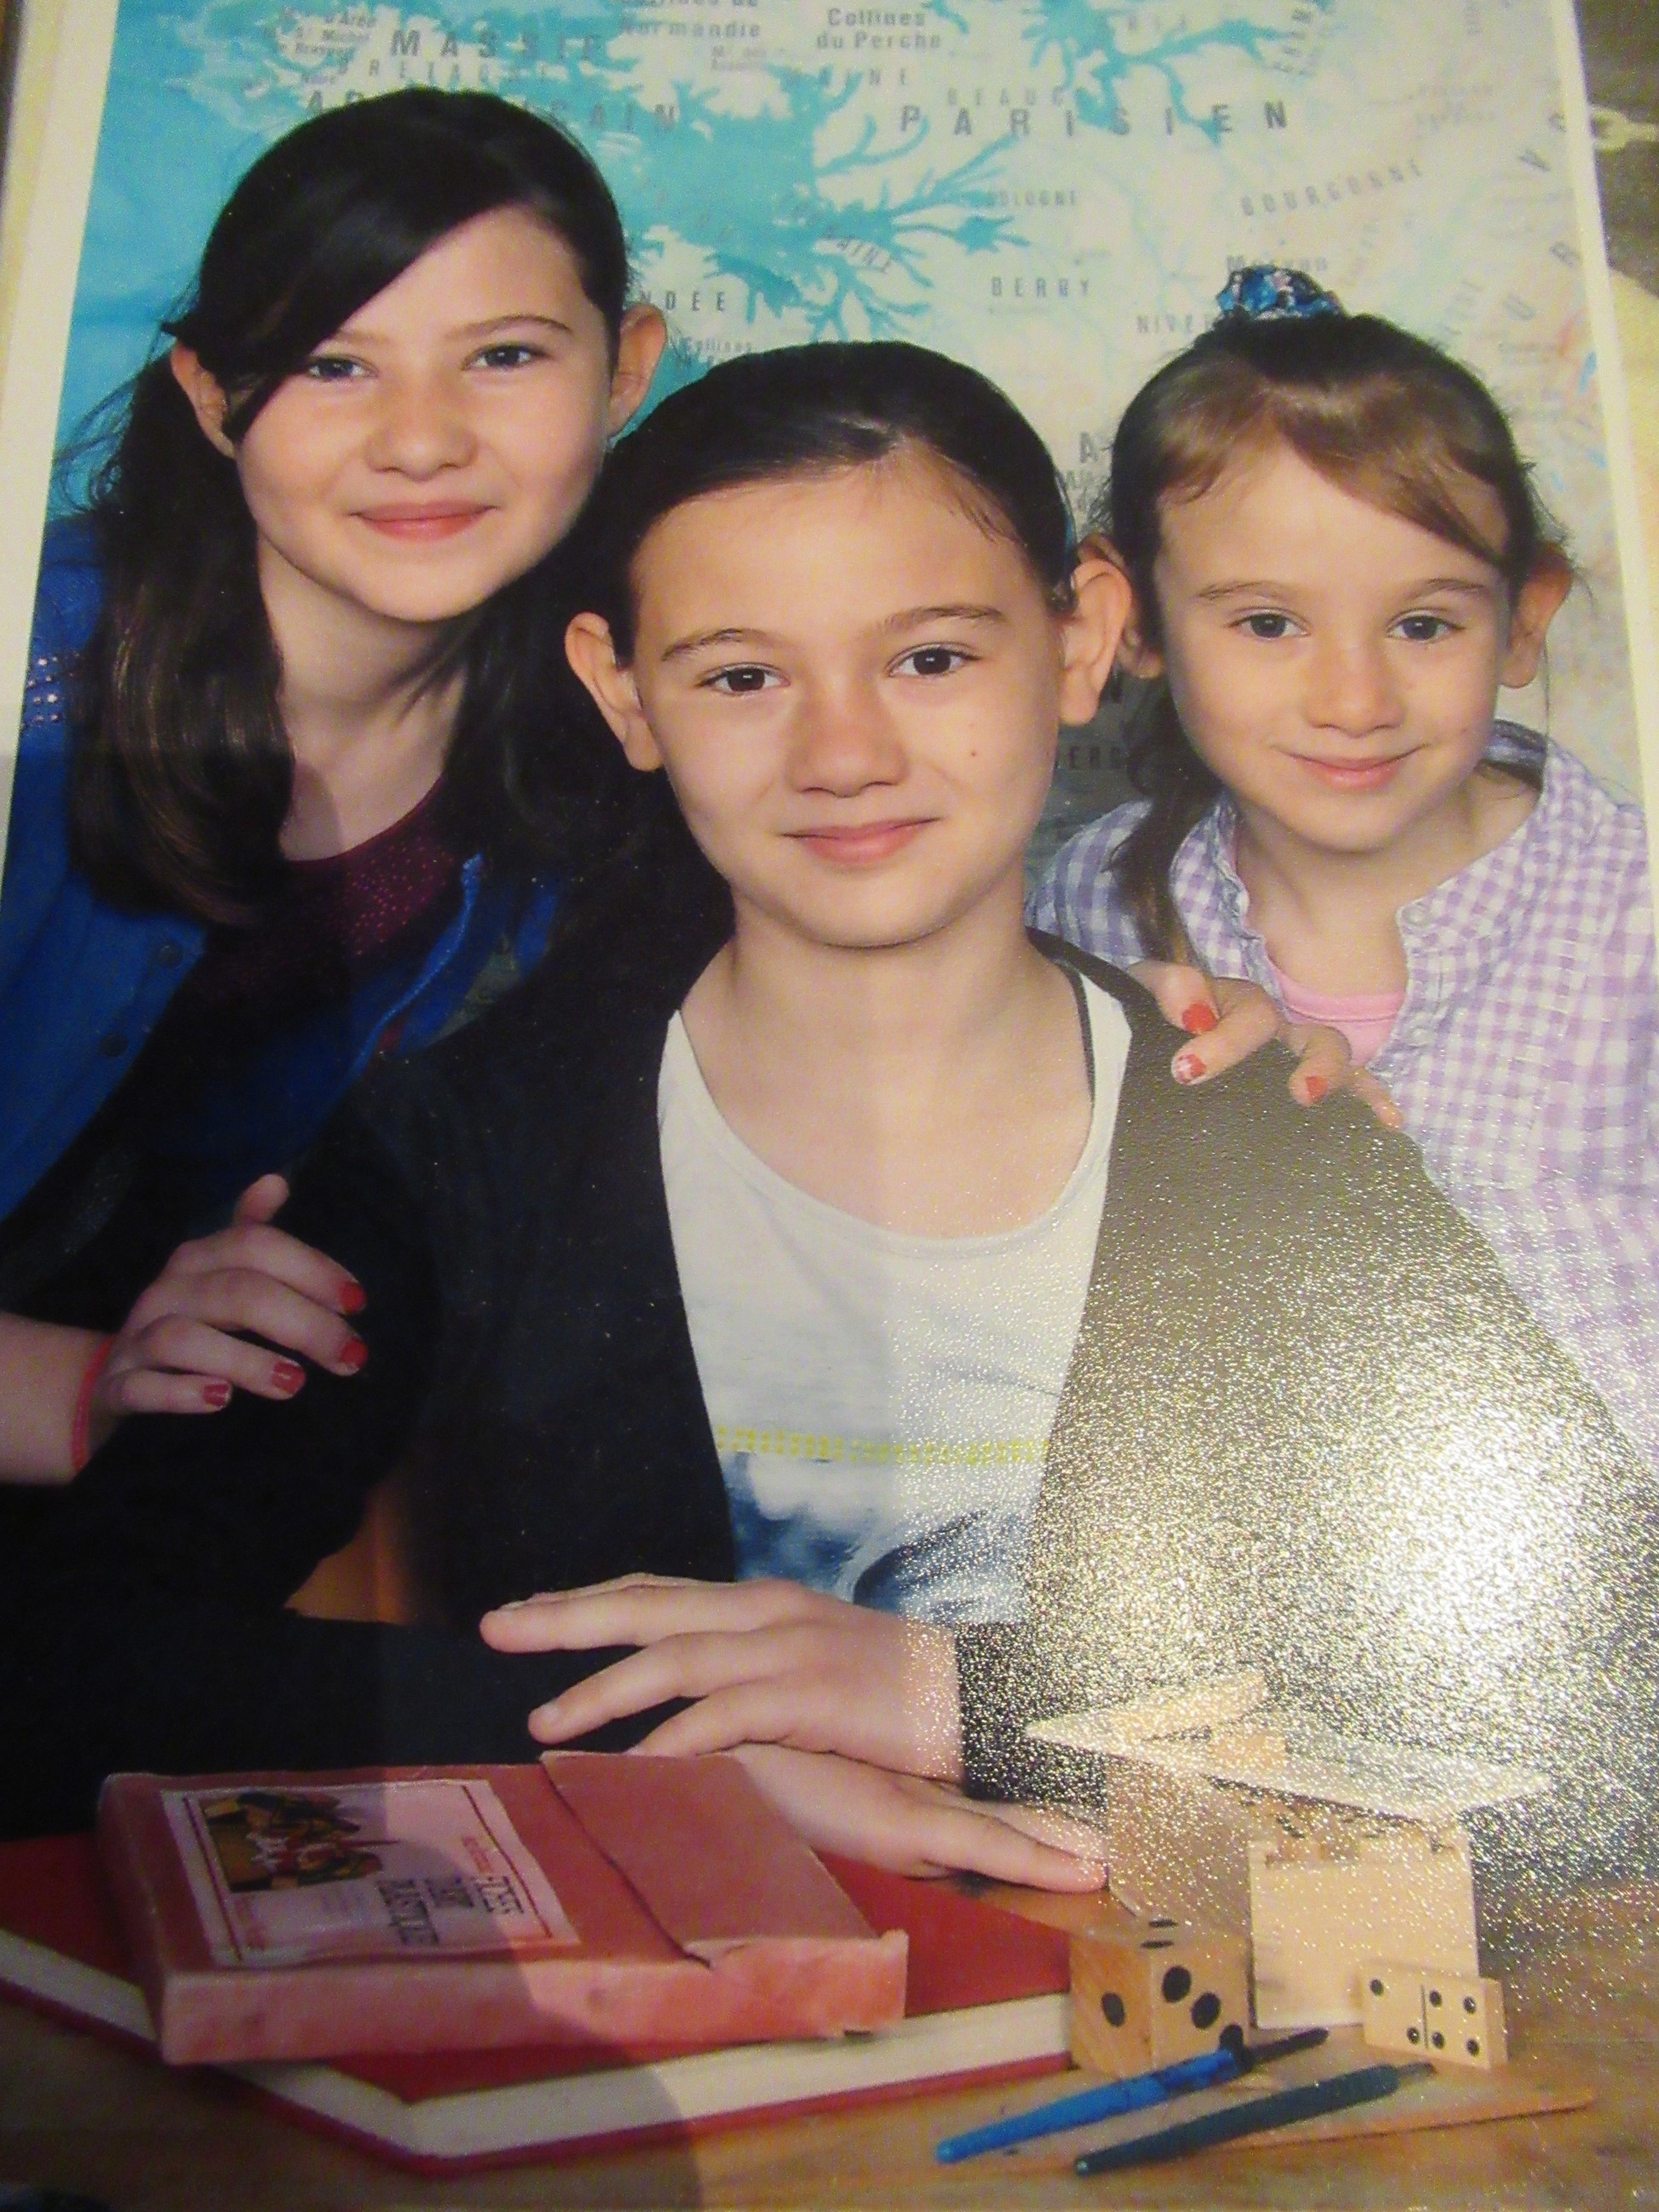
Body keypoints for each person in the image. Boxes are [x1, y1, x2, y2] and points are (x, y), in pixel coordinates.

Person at [5, 344, 1650, 1909]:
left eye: (932, 659)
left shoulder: (1267, 1125)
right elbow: (54, 1665)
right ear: (623, 692)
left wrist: (952, 1696)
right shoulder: (464, 1140)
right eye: (741, 677)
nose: (845, 755)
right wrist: (657, 1761)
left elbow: (1617, 1701)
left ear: (1082, 638)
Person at [0, 88, 666, 1482]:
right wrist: (79, 1396)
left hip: (202, 1470)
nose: (421, 441)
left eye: (503, 355)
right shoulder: (27, 681)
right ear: (209, 397)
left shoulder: (605, 718)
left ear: (624, 371)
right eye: (334, 364)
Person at [1025, 269, 1659, 1470]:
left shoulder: (1635, 907)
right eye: (1268, 624)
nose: (1356, 701)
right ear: (1132, 621)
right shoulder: (1095, 903)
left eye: (1424, 624)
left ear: (1524, 616)